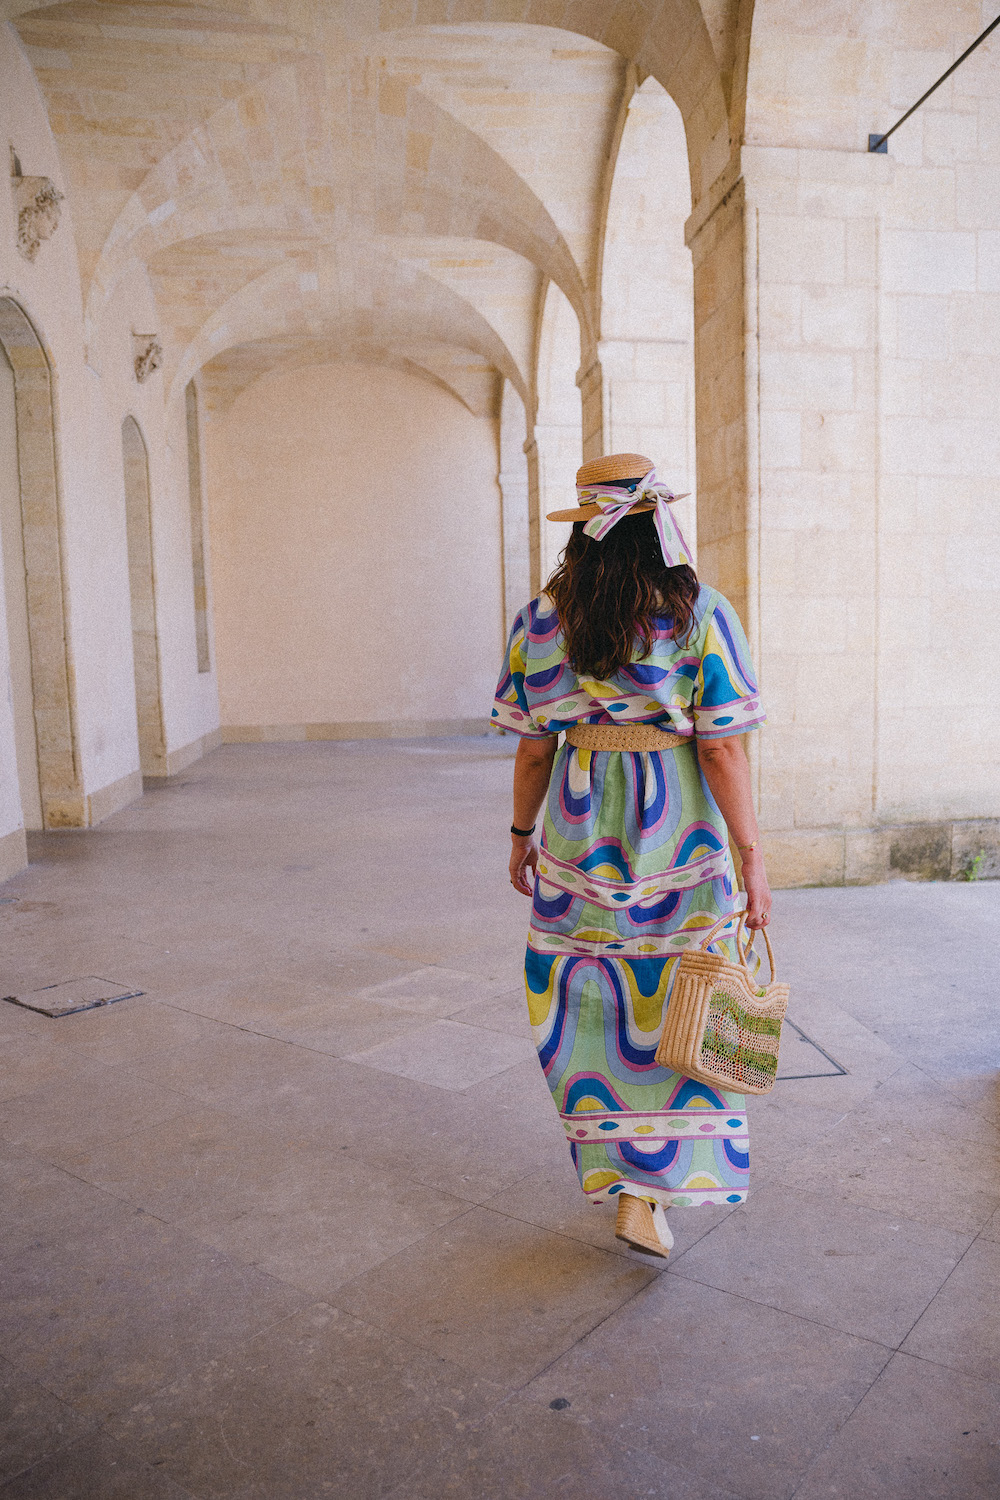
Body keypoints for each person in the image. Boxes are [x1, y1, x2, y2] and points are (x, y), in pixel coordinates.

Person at [492, 453, 771, 1260]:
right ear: (659, 526)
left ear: (582, 534)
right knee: (686, 997)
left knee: (589, 998)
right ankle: (656, 1183)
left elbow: (533, 751)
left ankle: (621, 1174)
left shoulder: (541, 621)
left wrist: (521, 836)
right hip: (680, 837)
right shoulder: (702, 614)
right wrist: (751, 857)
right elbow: (723, 753)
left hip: (580, 839)